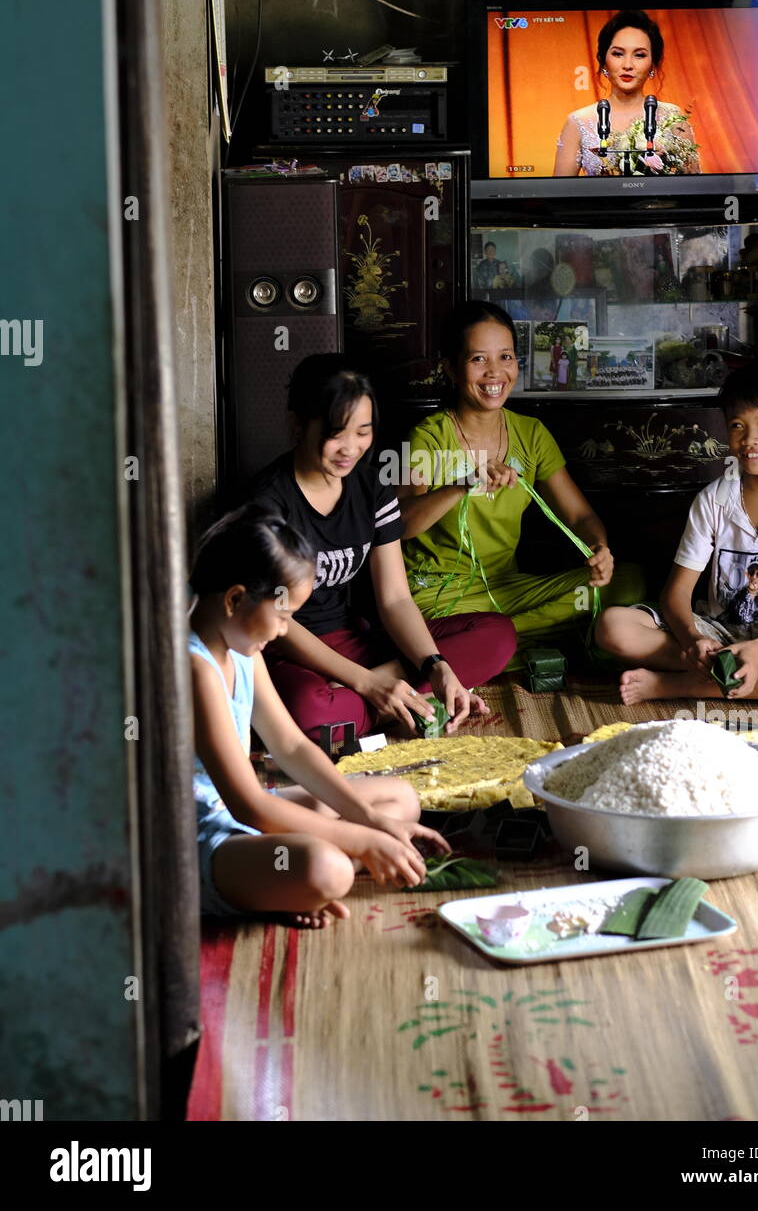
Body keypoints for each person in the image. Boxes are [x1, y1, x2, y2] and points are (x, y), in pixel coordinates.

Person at [188, 505, 449, 922]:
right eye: (283, 615)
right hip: (199, 842)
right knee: (328, 867)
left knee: (398, 801)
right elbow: (249, 807)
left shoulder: (238, 645)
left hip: (244, 821)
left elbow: (290, 745)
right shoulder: (193, 667)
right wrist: (361, 841)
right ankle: (287, 883)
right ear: (236, 599)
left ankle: (281, 886)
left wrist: (368, 821)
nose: (283, 631)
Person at [249, 354, 516, 742]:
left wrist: (436, 666)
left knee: (497, 636)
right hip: (289, 651)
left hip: (354, 640)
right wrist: (367, 683)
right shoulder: (268, 503)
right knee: (310, 710)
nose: (350, 448)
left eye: (363, 432)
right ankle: (401, 702)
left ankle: (388, 700)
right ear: (298, 425)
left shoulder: (371, 488)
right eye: (336, 433)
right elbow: (276, 622)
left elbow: (394, 599)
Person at [398, 302, 645, 659]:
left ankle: (493, 643)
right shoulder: (429, 437)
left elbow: (579, 517)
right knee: (599, 621)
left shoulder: (530, 434)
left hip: (507, 590)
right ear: (451, 368)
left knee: (628, 580)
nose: (495, 373)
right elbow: (401, 524)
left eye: (506, 357)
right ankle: (516, 642)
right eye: (478, 359)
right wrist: (462, 484)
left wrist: (598, 550)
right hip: (441, 597)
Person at [594, 362, 758, 703]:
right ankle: (745, 679)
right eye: (737, 425)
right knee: (613, 627)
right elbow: (675, 594)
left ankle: (673, 685)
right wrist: (692, 641)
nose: (750, 439)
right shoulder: (715, 500)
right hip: (717, 634)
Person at [553, 9, 700, 177]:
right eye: (618, 54)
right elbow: (561, 196)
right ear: (603, 60)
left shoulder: (672, 116)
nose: (628, 65)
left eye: (639, 55)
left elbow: (693, 184)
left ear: (653, 64)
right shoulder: (578, 122)